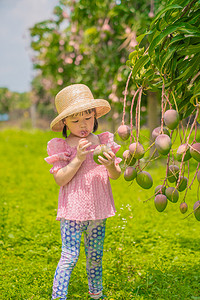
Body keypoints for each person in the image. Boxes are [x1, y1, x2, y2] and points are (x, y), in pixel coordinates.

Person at [45, 84, 122, 300]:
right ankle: (58, 297)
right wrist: (78, 158)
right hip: (72, 212)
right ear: (65, 123)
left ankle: (96, 294)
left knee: (95, 256)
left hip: (98, 210)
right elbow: (60, 179)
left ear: (95, 116)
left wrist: (109, 165)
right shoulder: (63, 146)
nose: (83, 125)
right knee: (69, 256)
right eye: (75, 121)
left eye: (87, 118)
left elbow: (115, 175)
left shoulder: (103, 141)